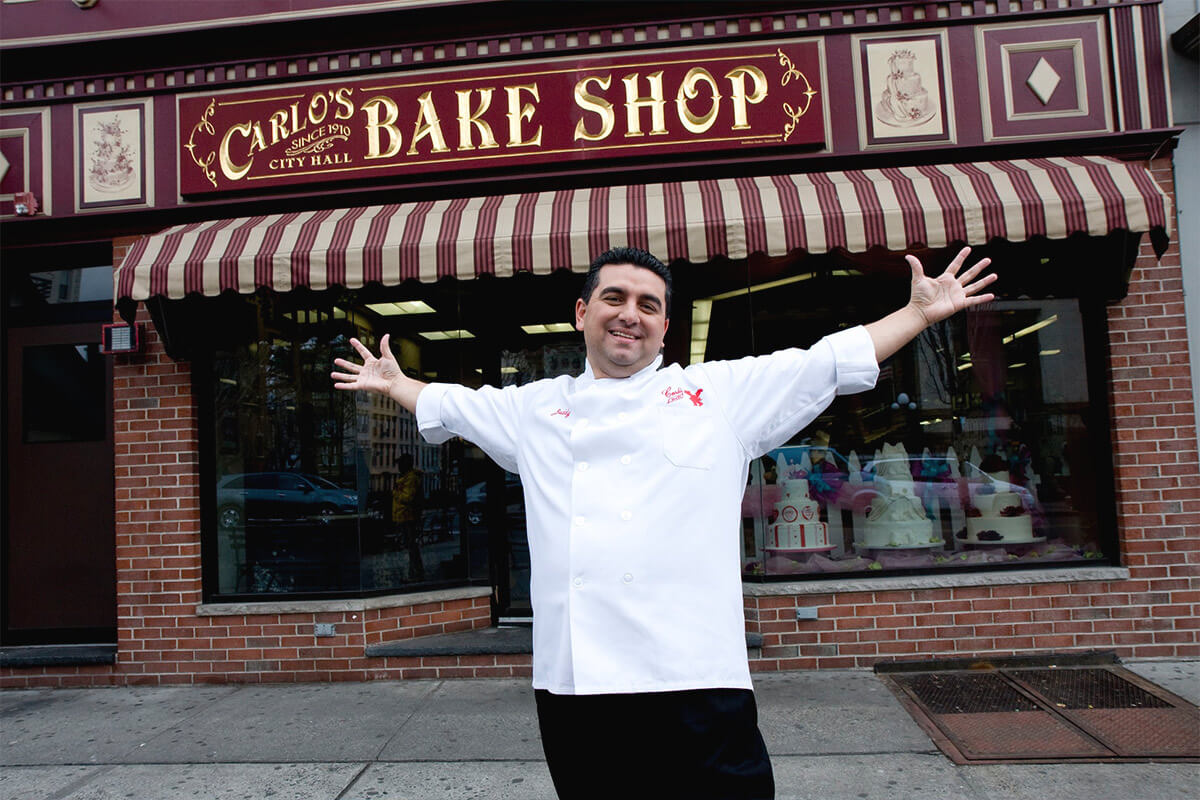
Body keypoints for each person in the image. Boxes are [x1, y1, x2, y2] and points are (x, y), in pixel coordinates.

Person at [331, 245, 995, 799]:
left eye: (648, 305)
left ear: (666, 327)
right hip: (581, 689)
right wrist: (394, 383)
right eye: (615, 299)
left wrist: (915, 312)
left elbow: (828, 361)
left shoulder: (721, 397)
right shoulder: (535, 409)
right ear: (582, 312)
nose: (630, 315)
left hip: (697, 683)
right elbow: (454, 403)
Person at [391, 453, 424, 581]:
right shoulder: (407, 478)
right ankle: (415, 573)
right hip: (404, 517)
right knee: (411, 548)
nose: (398, 467)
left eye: (400, 464)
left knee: (411, 548)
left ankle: (414, 574)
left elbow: (407, 498)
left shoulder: (410, 479)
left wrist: (395, 492)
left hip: (408, 517)